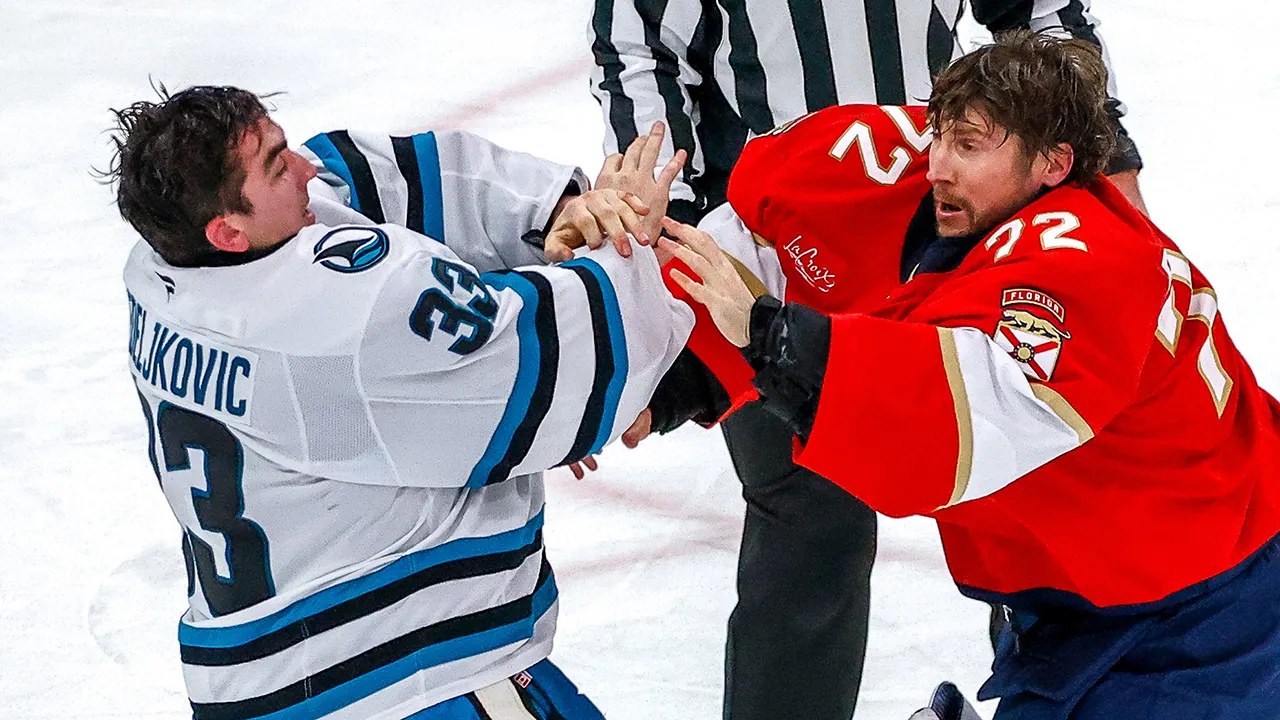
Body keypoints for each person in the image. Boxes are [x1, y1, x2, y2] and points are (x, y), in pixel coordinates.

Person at [658, 31, 1280, 718]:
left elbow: (948, 428)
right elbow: (763, 238)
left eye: (972, 146)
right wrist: (669, 371)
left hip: (1207, 607)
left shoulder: (1084, 266)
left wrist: (773, 341)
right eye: (941, 135)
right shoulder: (909, 169)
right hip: (1090, 584)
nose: (938, 167)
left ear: (1053, 163)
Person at [592, 2, 1146, 716]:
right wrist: (688, 238)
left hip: (957, 227)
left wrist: (1103, 156)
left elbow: (1036, 11)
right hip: (783, 247)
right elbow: (638, 37)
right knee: (813, 517)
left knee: (1028, 481)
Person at [108, 85, 692, 720]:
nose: (306, 167)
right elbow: (567, 364)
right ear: (228, 231)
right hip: (396, 683)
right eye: (280, 166)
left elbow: (365, 172)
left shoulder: (162, 267)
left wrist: (558, 211)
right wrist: (623, 233)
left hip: (265, 685)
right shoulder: (339, 323)